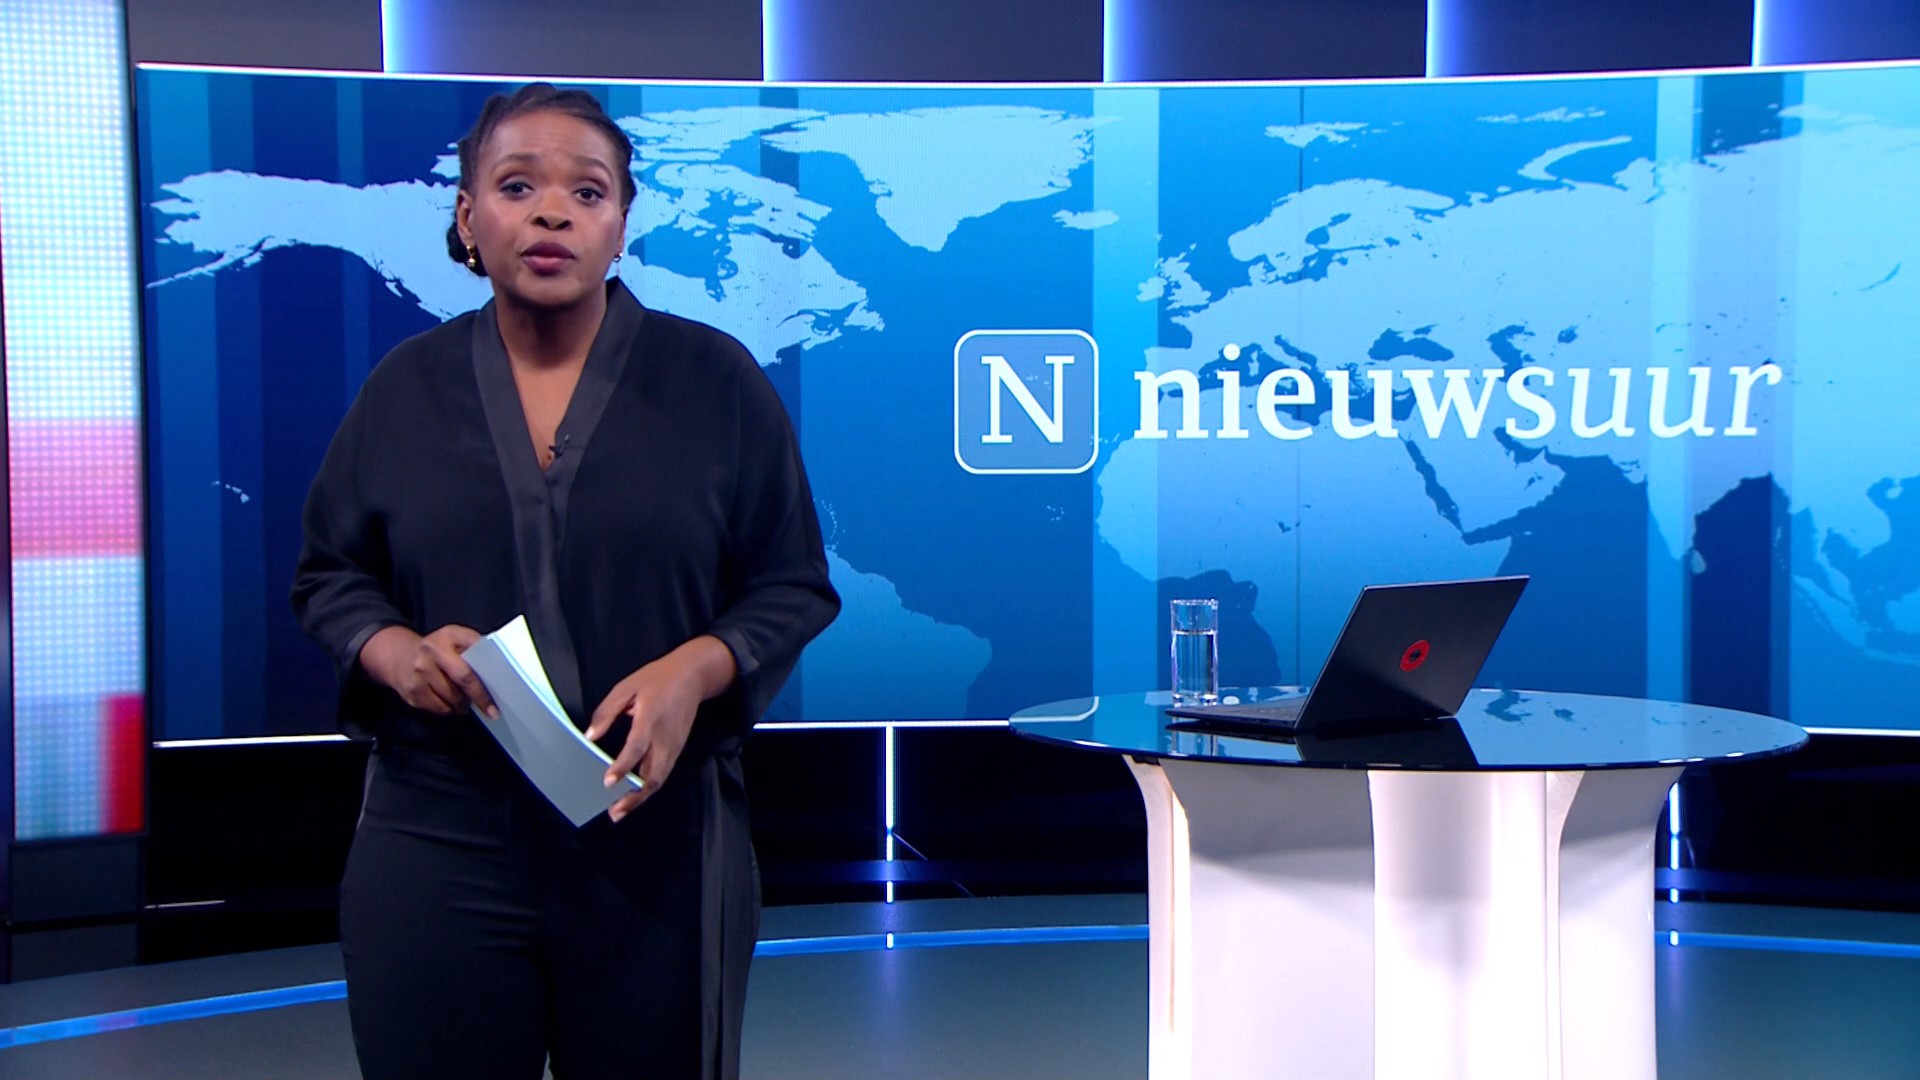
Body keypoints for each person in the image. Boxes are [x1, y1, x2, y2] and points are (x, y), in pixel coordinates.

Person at [291, 82, 839, 1080]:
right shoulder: (404, 389)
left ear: (622, 224)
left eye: (587, 193)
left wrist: (696, 668)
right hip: (439, 835)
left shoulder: (716, 383)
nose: (552, 213)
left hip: (656, 844)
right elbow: (332, 574)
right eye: (517, 187)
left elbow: (792, 584)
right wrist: (395, 651)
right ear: (468, 218)